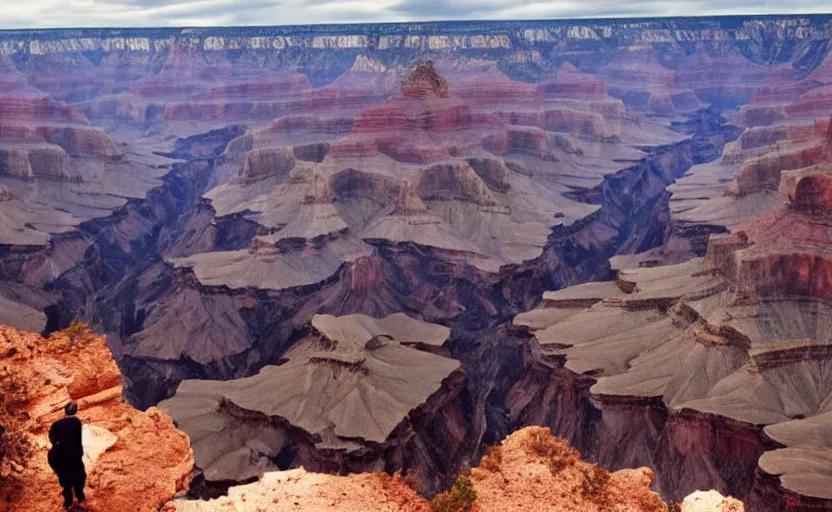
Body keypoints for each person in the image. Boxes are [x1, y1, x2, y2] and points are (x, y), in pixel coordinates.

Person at [48, 402, 86, 508]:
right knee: (79, 476)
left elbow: (52, 438)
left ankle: (68, 501)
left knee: (65, 480)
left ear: (65, 410)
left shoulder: (56, 425)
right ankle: (80, 496)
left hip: (62, 457)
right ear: (75, 411)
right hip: (76, 456)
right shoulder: (77, 422)